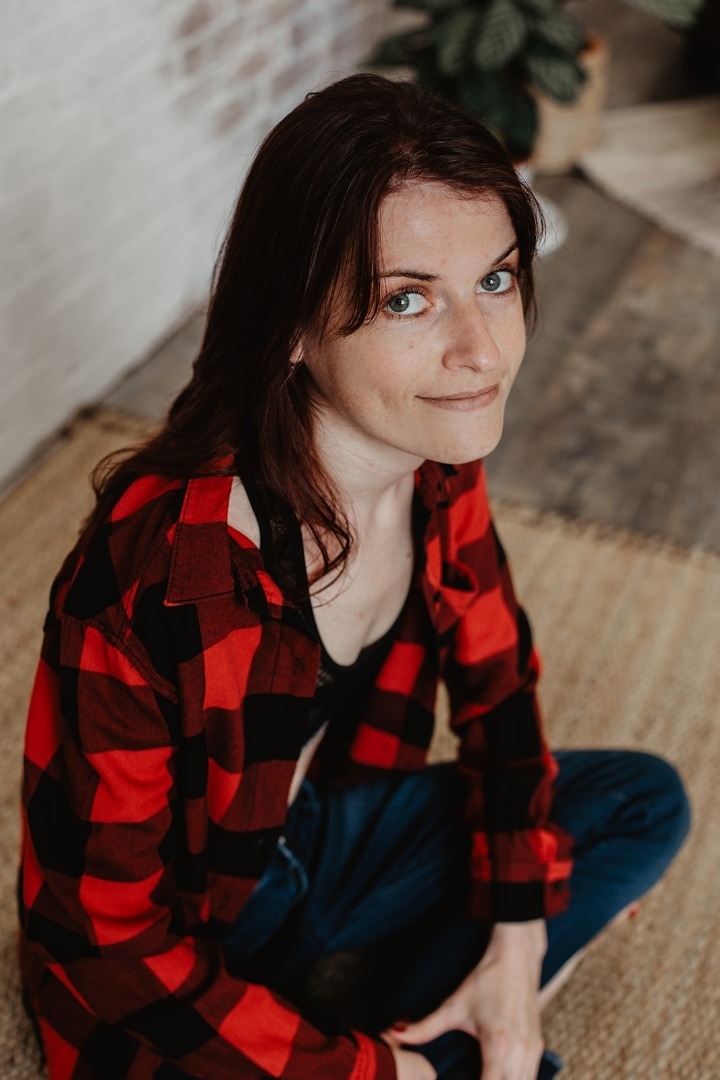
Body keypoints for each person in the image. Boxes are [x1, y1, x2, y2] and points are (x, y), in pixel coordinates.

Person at [19, 73, 690, 1080]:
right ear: (292, 321)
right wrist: (381, 1075)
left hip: (322, 835)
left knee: (641, 803)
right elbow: (108, 945)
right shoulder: (159, 575)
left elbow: (499, 689)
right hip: (195, 930)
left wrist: (516, 948)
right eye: (406, 299)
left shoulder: (437, 453)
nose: (480, 352)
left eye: (496, 280)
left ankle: (470, 1010)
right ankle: (432, 1046)